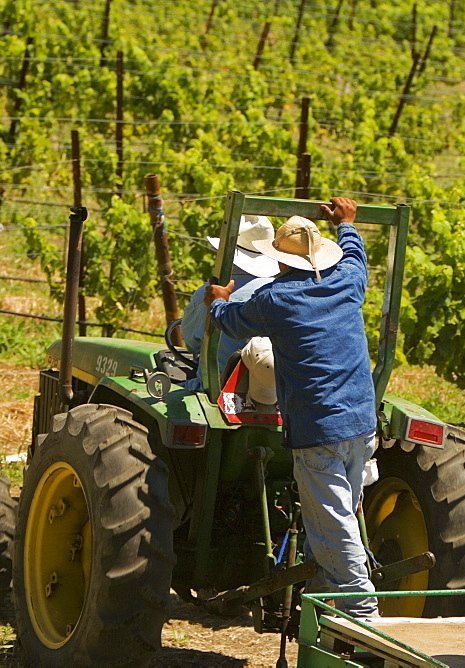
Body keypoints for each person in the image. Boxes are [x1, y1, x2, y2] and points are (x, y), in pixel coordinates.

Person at [204, 197, 379, 619]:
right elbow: (356, 255)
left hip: (319, 428)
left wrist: (217, 300)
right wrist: (348, 224)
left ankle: (363, 614)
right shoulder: (349, 281)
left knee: (332, 530)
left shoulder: (277, 299)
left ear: (278, 261)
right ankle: (327, 613)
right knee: (342, 522)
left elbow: (230, 321)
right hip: (363, 423)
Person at [179, 215, 279, 391]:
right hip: (273, 393)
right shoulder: (281, 294)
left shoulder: (208, 294)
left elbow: (192, 344)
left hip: (215, 391)